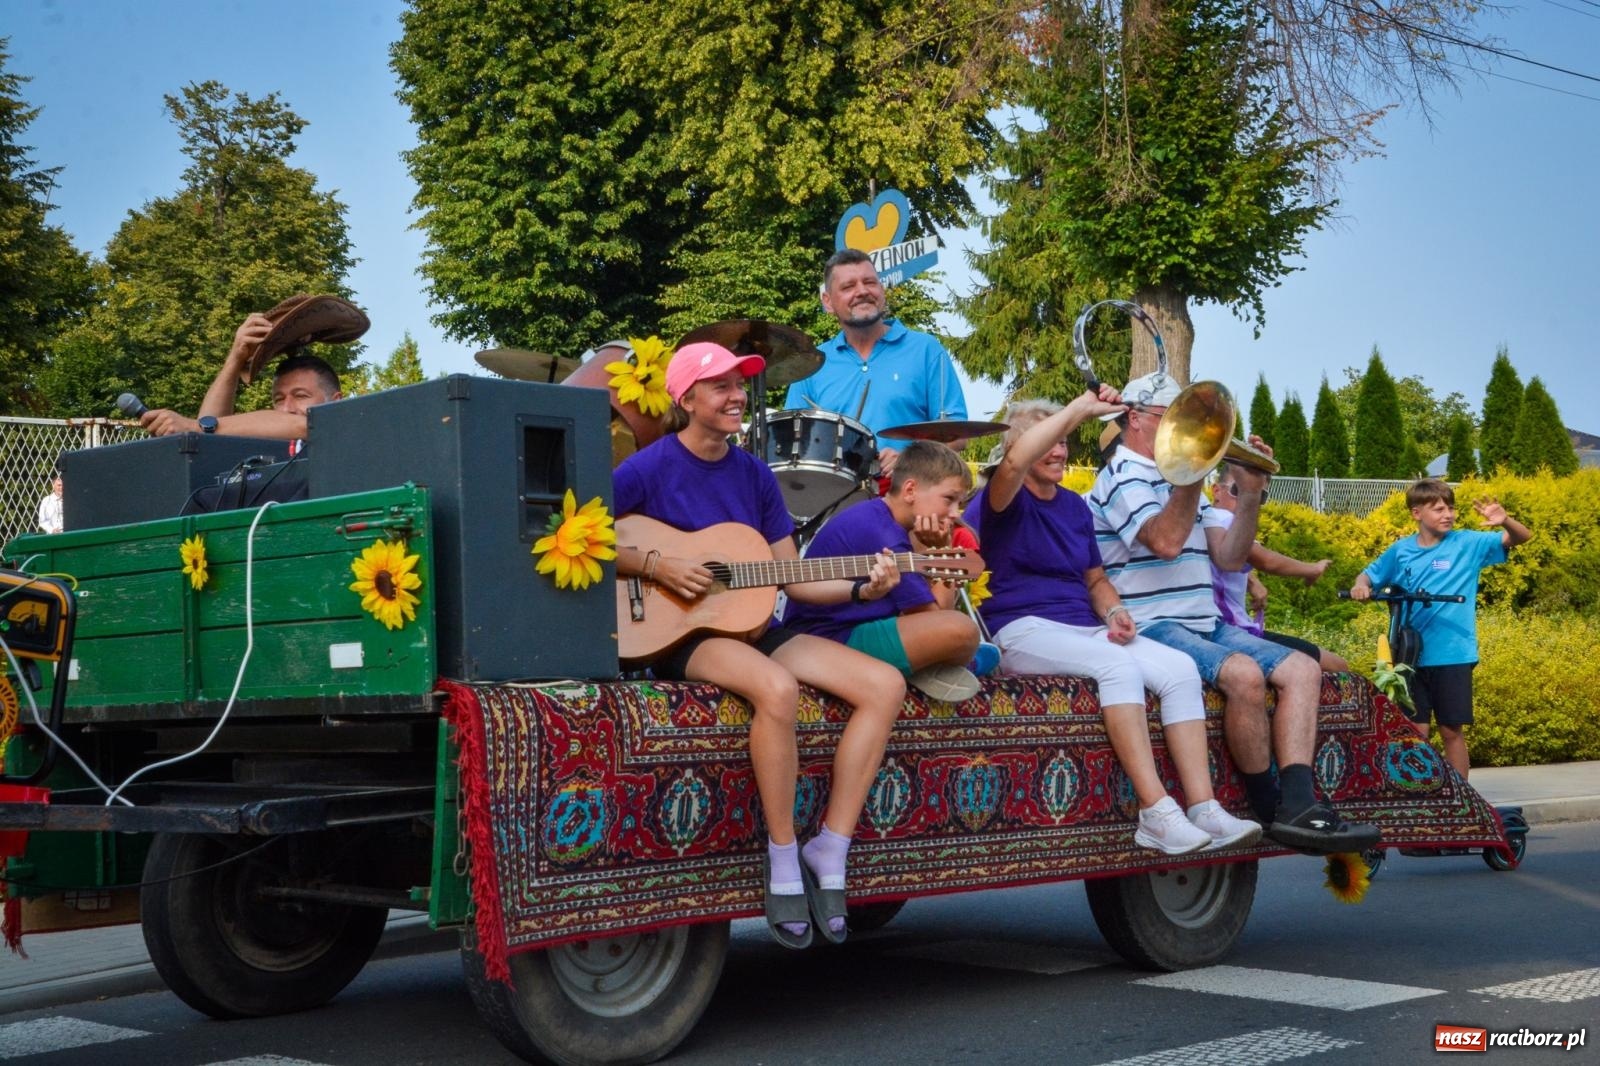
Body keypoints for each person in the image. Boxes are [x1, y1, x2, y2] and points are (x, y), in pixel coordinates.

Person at [612, 340, 907, 949]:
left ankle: (830, 845)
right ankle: (779, 856)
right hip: (681, 635)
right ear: (686, 397)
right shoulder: (649, 466)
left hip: (757, 627)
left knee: (884, 685)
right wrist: (656, 565)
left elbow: (792, 575)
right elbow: (579, 534)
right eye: (720, 385)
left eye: (740, 384)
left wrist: (861, 588)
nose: (737, 396)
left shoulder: (753, 474)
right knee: (778, 689)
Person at [1088, 371, 1379, 854]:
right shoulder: (1122, 474)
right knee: (1244, 676)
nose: (1182, 432)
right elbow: (1164, 542)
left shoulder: (1174, 479)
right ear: (1134, 419)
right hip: (1151, 623)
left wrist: (1250, 494)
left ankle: (1299, 807)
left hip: (1203, 621)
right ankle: (1267, 806)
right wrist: (1193, 471)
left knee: (1303, 669)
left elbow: (1228, 557)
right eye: (1170, 418)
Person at [972, 395, 1262, 855]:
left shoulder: (1072, 507)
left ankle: (1203, 806)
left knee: (1179, 670)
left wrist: (1114, 612)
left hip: (1080, 627)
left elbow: (1096, 579)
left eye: (1065, 442)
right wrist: (1080, 410)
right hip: (1020, 627)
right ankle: (1155, 811)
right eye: (1049, 442)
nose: (1060, 451)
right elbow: (1012, 462)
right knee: (1118, 668)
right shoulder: (1000, 499)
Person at [1350, 478, 1531, 779]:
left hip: (1454, 654)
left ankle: (1461, 799)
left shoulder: (1468, 543)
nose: (1448, 514)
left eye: (1451, 508)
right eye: (1438, 509)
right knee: (1415, 731)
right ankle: (1423, 794)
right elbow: (1368, 576)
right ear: (1416, 513)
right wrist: (1360, 586)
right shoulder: (1401, 551)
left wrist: (1505, 521)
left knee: (1450, 730)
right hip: (1411, 655)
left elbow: (1522, 537)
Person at [783, 440, 983, 702]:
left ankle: (925, 665)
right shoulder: (882, 532)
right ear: (910, 490)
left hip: (858, 628)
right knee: (962, 631)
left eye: (960, 503)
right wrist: (943, 552)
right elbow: (937, 619)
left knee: (959, 633)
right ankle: (924, 667)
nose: (956, 513)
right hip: (826, 639)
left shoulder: (887, 521)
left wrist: (938, 550)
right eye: (949, 499)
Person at [784, 248, 967, 478]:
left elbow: (958, 435)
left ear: (882, 290)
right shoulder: (811, 363)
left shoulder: (926, 350)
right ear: (828, 302)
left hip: (910, 500)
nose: (862, 291)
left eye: (870, 282)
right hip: (837, 503)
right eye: (848, 286)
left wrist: (910, 460)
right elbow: (793, 441)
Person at [1207, 464, 1350, 673]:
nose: (1248, 500)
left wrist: (1253, 582)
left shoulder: (1202, 520)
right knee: (1337, 666)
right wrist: (1312, 568)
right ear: (1216, 491)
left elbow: (1226, 560)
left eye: (1259, 496)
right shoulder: (1222, 518)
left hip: (1222, 628)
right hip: (1231, 630)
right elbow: (1265, 560)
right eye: (1238, 490)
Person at [139, 313, 343, 440]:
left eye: (300, 395)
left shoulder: (345, 433)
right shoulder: (265, 447)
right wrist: (236, 359)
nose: (286, 409)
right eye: (278, 400)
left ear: (336, 402)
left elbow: (304, 426)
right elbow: (209, 443)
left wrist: (193, 426)